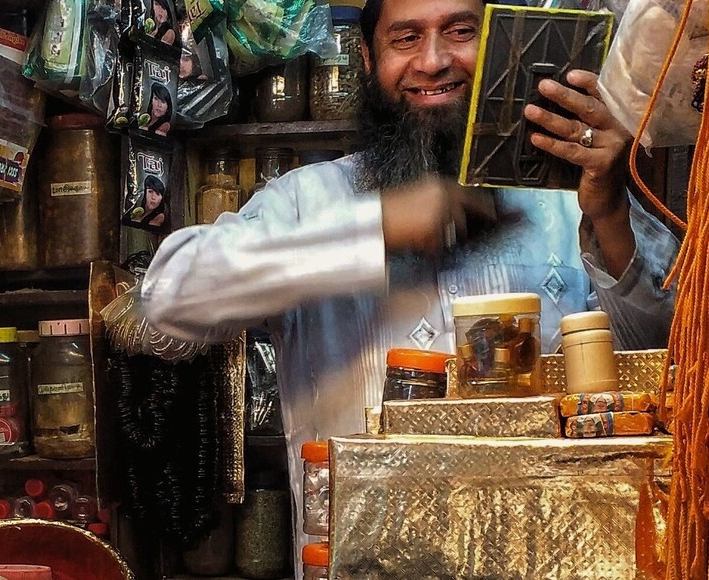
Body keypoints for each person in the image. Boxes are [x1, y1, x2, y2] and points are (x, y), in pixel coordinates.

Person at [142, 0, 679, 545]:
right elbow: (169, 297)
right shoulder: (307, 201)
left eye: (460, 32)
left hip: (551, 548)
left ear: (494, 46)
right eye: (405, 39)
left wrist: (610, 210)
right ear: (367, 60)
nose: (433, 60)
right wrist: (377, 226)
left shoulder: (568, 202)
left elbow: (671, 355)